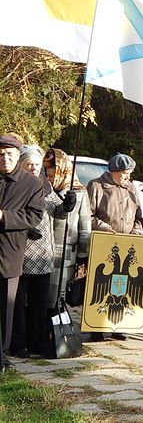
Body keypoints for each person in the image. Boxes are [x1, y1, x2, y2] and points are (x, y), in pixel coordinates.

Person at [10, 145, 75, 358]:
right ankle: (18, 344)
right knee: (18, 304)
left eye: (37, 165)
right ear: (21, 164)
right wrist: (26, 229)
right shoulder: (16, 185)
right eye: (29, 164)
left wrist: (67, 206)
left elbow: (57, 212)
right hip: (20, 253)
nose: (33, 169)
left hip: (43, 255)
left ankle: (36, 342)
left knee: (39, 304)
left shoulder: (44, 186)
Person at [87, 153, 143, 341]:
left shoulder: (132, 188)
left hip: (127, 243)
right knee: (102, 284)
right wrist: (106, 228)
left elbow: (138, 216)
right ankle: (97, 326)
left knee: (122, 285)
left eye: (129, 173)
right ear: (114, 172)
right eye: (125, 173)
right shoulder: (96, 186)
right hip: (104, 243)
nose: (127, 177)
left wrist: (136, 232)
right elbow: (88, 215)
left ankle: (119, 326)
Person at [0, 135, 45, 361]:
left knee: (7, 308)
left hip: (9, 252)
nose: (4, 158)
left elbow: (35, 215)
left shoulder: (32, 184)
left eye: (9, 154)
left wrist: (4, 217)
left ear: (18, 156)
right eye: (1, 154)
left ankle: (3, 353)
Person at [43, 148, 92, 309]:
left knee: (57, 300)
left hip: (65, 255)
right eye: (47, 175)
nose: (48, 179)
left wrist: (83, 256)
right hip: (43, 252)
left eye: (51, 175)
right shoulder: (43, 190)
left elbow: (85, 227)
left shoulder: (79, 193)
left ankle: (55, 329)